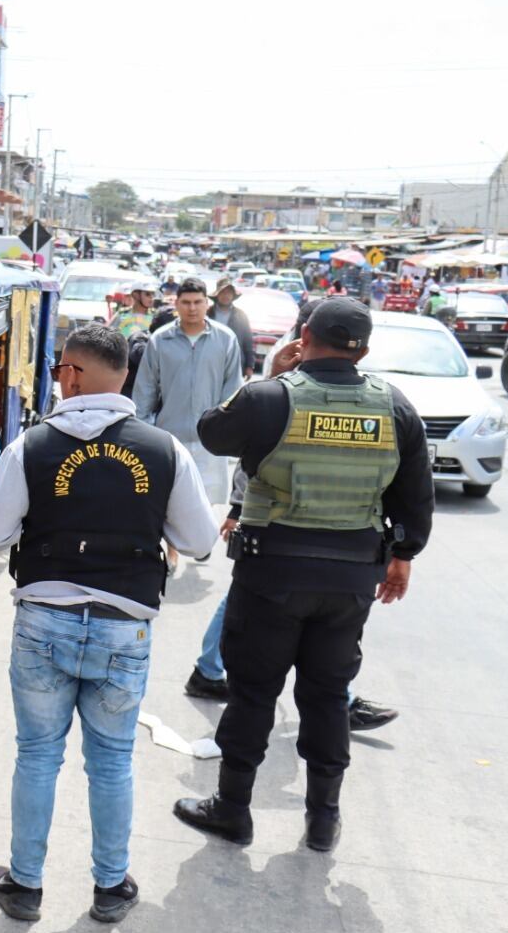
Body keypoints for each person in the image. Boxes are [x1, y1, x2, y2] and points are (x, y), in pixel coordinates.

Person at [0, 323, 218, 925]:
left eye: (61, 368)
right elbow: (202, 541)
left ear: (72, 375)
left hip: (43, 622)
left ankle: (24, 885)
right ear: (125, 376)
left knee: (37, 755)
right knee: (111, 762)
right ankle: (111, 887)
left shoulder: (31, 446)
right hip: (122, 626)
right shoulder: (164, 450)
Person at [173, 298, 434, 852]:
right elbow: (415, 493)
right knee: (328, 695)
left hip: (272, 574)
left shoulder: (271, 397)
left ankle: (234, 810)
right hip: (350, 580)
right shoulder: (394, 406)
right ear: (364, 348)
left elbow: (211, 432)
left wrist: (272, 376)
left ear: (304, 334)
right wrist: (403, 553)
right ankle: (322, 821)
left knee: (253, 695)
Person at [185, 466, 404, 732]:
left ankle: (207, 672)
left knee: (251, 594)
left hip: (303, 522)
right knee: (309, 609)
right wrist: (237, 509)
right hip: (283, 522)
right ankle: (340, 702)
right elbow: (253, 451)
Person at [132, 278, 244, 502]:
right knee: (167, 505)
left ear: (206, 303)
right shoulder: (160, 340)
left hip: (210, 444)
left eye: (197, 302)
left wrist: (223, 430)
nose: (192, 308)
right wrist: (145, 432)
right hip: (169, 439)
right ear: (177, 305)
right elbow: (145, 389)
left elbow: (233, 391)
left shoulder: (225, 339)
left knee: (205, 509)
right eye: (186, 302)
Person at [209, 278, 255, 378]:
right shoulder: (207, 314)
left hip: (234, 364)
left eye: (229, 293)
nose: (226, 296)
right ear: (217, 294)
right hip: (209, 364)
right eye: (223, 292)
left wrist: (249, 366)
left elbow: (248, 342)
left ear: (233, 295)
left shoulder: (241, 315)